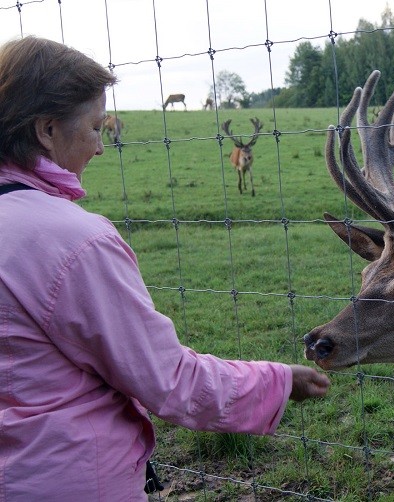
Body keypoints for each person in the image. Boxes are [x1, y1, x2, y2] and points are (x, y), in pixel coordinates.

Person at [0, 36, 330, 500]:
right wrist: (276, 382)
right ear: (46, 130)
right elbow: (168, 379)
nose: (100, 148)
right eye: (95, 127)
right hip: (67, 481)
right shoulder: (73, 242)